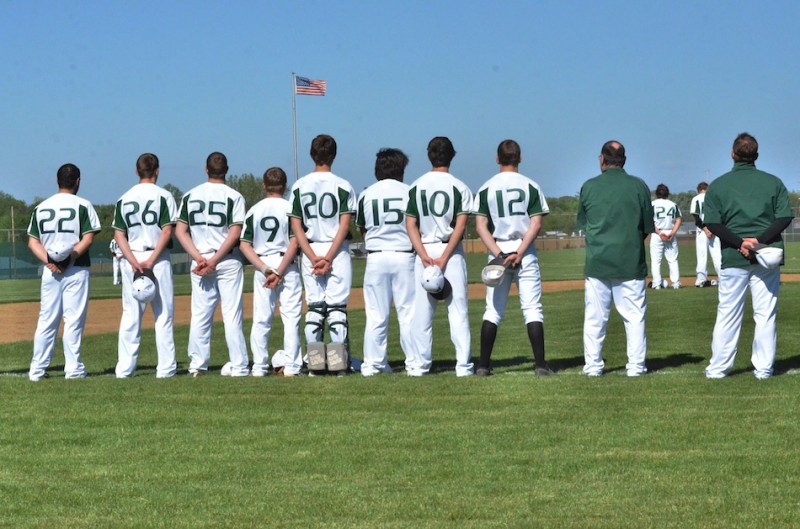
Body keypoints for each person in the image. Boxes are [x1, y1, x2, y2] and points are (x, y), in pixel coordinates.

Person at [704, 132, 792, 380]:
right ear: (756, 156)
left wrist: (741, 243)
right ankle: (763, 369)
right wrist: (757, 242)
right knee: (765, 315)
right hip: (766, 256)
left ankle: (719, 368)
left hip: (734, 257)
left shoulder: (719, 185)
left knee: (728, 313)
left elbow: (713, 223)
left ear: (733, 155)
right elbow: (784, 217)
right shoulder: (773, 182)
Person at [473, 139, 553, 377]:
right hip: (524, 252)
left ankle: (483, 366)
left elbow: (480, 226)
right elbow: (536, 223)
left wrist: (499, 255)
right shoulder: (530, 185)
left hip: (498, 252)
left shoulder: (487, 187)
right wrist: (519, 252)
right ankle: (540, 365)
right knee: (532, 308)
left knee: (493, 311)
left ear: (497, 159)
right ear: (520, 158)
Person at [577, 141, 654, 377]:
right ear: (624, 160)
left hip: (598, 261)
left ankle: (593, 366)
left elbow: (584, 224)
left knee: (595, 319)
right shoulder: (639, 186)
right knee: (634, 318)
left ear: (602, 159)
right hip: (630, 260)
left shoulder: (589, 186)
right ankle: (636, 367)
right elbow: (646, 227)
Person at [175, 152, 249, 377]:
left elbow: (180, 231)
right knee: (232, 314)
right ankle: (239, 366)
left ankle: (198, 365)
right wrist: (214, 260)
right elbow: (235, 232)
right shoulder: (234, 196)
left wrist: (199, 258)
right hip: (226, 260)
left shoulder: (190, 195)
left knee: (200, 315)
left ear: (206, 169)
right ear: (227, 170)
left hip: (200, 261)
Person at [405, 136, 473, 377]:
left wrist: (423, 255)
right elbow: (461, 226)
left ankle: (420, 366)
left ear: (429, 156)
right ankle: (463, 366)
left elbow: (410, 224)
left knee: (422, 313)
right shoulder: (461, 187)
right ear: (452, 155)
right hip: (449, 252)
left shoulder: (416, 186)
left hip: (424, 251)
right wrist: (444, 257)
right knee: (458, 311)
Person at [289, 134, 356, 375]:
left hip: (310, 249)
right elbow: (344, 226)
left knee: (315, 309)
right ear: (334, 155)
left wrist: (312, 255)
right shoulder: (344, 185)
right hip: (335, 251)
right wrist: (328, 257)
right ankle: (338, 366)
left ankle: (316, 366)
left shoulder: (299, 186)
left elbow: (296, 227)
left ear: (311, 154)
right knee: (337, 309)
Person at [27, 163, 101, 381]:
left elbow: (33, 242)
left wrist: (50, 261)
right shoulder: (83, 205)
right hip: (76, 268)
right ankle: (73, 369)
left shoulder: (41, 207)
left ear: (56, 180)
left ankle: (37, 370)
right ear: (78, 181)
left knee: (47, 320)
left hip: (50, 272)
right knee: (73, 320)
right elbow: (88, 237)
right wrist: (69, 258)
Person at [111, 153, 178, 378]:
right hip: (156, 259)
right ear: (157, 170)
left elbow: (119, 235)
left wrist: (132, 261)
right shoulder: (165, 196)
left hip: (133, 260)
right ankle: (166, 369)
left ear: (136, 171)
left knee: (130, 315)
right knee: (164, 314)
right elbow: (167, 231)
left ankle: (124, 369)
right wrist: (150, 260)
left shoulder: (124, 198)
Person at [355, 148, 415, 376]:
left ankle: (373, 364)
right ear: (401, 169)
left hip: (376, 255)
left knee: (376, 314)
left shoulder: (366, 194)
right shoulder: (411, 192)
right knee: (408, 313)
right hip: (404, 255)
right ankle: (414, 363)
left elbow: (363, 228)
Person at [239, 167, 303, 377]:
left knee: (262, 318)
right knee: (291, 318)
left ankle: (259, 366)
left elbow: (244, 245)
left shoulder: (254, 210)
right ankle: (292, 367)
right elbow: (295, 242)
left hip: (263, 266)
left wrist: (266, 269)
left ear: (264, 185)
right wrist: (280, 271)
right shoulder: (291, 207)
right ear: (285, 186)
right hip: (287, 264)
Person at [649, 183, 682, 289]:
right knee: (672, 259)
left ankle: (657, 284)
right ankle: (676, 283)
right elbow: (678, 219)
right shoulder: (673, 204)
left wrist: (659, 233)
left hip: (657, 233)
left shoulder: (652, 204)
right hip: (670, 232)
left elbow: (649, 221)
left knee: (656, 260)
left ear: (657, 193)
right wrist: (673, 233)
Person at [690, 182, 722, 287]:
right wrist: (713, 229)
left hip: (702, 231)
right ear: (707, 189)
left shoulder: (696, 199)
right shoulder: (714, 197)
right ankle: (723, 278)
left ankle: (701, 280)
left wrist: (705, 229)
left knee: (702, 256)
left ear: (698, 189)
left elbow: (696, 217)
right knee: (717, 256)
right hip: (715, 229)